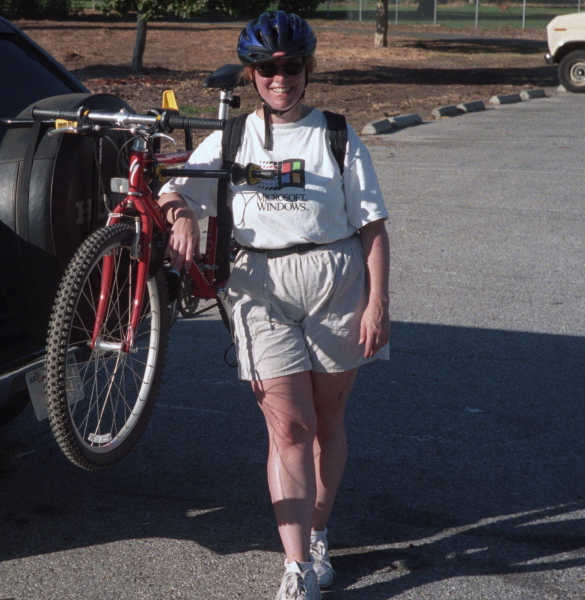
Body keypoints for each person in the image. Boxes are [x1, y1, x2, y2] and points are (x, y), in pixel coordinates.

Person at [157, 11, 390, 600]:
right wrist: (181, 213)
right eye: (266, 68)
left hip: (336, 281)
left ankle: (317, 533)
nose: (279, 78)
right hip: (258, 283)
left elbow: (373, 227)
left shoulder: (336, 134)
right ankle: (297, 566)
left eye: (290, 67)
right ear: (252, 74)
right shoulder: (231, 137)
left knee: (327, 421)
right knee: (290, 426)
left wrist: (377, 303)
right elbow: (174, 186)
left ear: (305, 71)